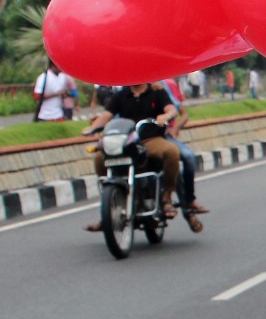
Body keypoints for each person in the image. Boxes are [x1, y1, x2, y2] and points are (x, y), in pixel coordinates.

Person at [83, 80, 181, 232]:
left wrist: (165, 116)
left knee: (172, 152)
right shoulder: (121, 95)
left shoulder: (157, 91)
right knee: (99, 157)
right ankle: (108, 206)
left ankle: (166, 196)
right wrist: (92, 127)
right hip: (127, 141)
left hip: (150, 140)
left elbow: (172, 109)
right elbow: (107, 115)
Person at [160, 76, 207, 232]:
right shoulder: (123, 88)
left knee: (183, 159)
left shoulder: (163, 87)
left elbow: (179, 112)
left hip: (162, 136)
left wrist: (173, 127)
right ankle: (108, 213)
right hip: (135, 138)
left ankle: (188, 203)